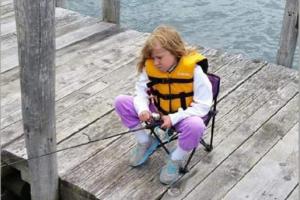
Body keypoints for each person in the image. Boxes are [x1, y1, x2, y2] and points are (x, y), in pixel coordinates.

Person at [114, 25, 213, 185]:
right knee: (121, 101)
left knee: (196, 126)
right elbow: (140, 94)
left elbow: (203, 107)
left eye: (160, 57)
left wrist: (174, 118)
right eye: (153, 58)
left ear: (175, 52)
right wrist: (143, 109)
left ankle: (176, 158)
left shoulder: (194, 72)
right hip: (158, 112)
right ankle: (144, 141)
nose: (156, 62)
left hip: (183, 117)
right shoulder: (150, 68)